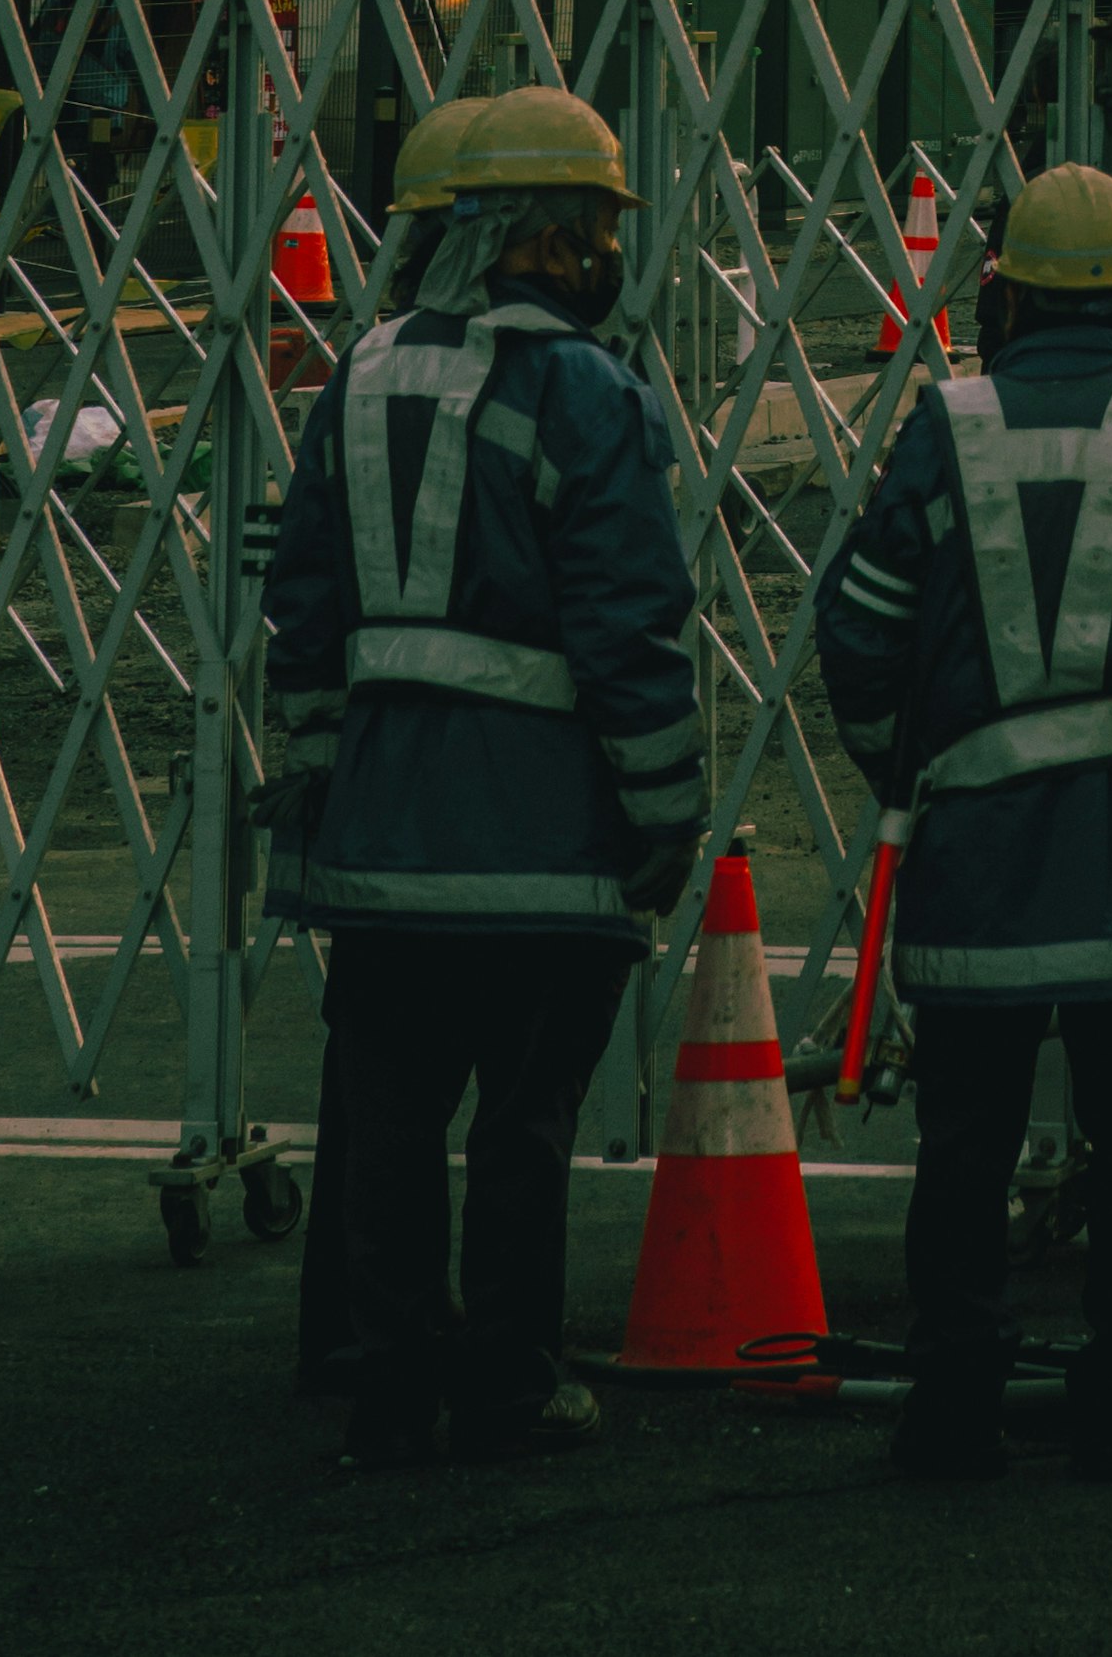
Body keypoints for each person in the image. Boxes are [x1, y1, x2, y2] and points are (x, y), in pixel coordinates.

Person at [817, 159, 1112, 1484]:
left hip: (978, 867)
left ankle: (956, 1394)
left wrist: (908, 772)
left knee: (963, 1136)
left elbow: (856, 636)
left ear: (1005, 295)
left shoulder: (941, 432)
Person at [263, 85, 703, 1469]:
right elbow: (632, 626)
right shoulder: (589, 392)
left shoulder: (363, 378)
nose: (601, 253)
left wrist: (316, 794)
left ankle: (390, 1379)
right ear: (554, 239)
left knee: (390, 1115)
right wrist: (663, 813)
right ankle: (509, 1380)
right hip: (540, 837)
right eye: (591, 229)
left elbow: (307, 614)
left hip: (383, 840)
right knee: (523, 1126)